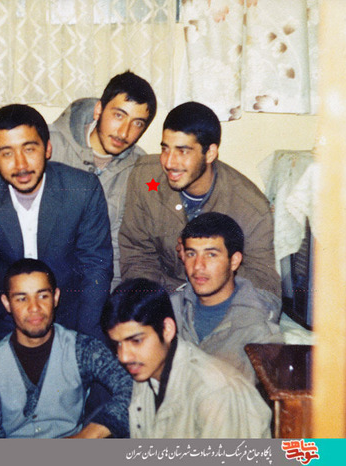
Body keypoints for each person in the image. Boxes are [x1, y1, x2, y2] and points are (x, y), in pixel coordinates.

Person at [0, 104, 113, 355]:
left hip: (71, 318)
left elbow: (95, 268)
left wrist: (87, 343)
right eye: (7, 153)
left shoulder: (82, 189)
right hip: (7, 321)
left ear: (47, 149)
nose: (20, 164)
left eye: (29, 149)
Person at [119, 101, 281, 297]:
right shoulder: (145, 177)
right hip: (166, 295)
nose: (169, 162)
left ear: (210, 153)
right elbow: (137, 254)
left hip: (223, 301)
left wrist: (215, 262)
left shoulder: (250, 207)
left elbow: (266, 287)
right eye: (165, 149)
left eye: (183, 151)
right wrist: (154, 304)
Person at [0, 259, 131, 438]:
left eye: (43, 296)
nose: (34, 308)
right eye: (22, 299)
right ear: (7, 303)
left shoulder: (83, 349)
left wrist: (90, 434)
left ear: (56, 297)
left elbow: (133, 387)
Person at [102, 278, 272, 438]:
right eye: (117, 344)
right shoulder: (146, 373)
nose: (124, 356)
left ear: (167, 329)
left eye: (136, 341)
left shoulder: (214, 392)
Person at [49, 71, 157, 288]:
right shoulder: (48, 144)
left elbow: (121, 248)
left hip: (96, 285)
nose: (124, 132)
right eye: (119, 115)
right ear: (99, 109)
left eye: (137, 123)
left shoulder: (138, 172)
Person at [171, 212, 283, 383]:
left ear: (234, 261)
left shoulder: (257, 330)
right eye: (191, 254)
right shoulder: (169, 311)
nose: (198, 266)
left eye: (211, 255)